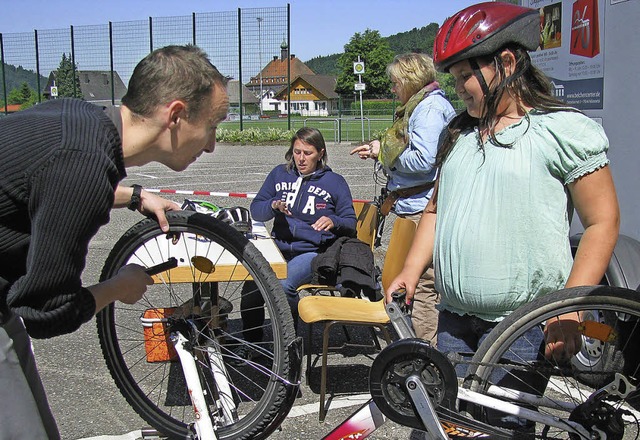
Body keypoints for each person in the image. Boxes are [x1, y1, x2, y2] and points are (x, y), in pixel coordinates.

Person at [0, 44, 229, 439]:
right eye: (212, 125)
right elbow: (44, 311)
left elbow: (44, 182)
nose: (211, 144)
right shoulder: (82, 165)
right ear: (175, 115)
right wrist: (119, 287)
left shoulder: (83, 121)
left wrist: (135, 195)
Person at [387, 1, 619, 378]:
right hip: (454, 321)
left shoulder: (560, 131)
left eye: (466, 76)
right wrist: (410, 270)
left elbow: (602, 221)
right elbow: (435, 210)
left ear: (507, 64)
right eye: (455, 78)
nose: (458, 88)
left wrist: (571, 306)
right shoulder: (459, 134)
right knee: (452, 425)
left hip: (522, 327)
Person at [350, 53, 455, 345]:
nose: (393, 89)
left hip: (422, 211)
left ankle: (426, 357)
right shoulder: (423, 105)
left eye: (396, 83)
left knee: (422, 286)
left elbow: (424, 160)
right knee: (418, 284)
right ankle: (422, 351)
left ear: (409, 80)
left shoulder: (429, 109)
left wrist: (382, 153)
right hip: (416, 208)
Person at [236, 127, 357, 361]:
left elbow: (350, 223)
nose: (301, 159)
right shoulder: (279, 174)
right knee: (252, 284)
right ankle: (252, 342)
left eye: (308, 153)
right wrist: (272, 205)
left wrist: (333, 220)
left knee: (282, 286)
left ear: (320, 153)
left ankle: (287, 342)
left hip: (313, 251)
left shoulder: (335, 182)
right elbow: (256, 210)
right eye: (297, 152)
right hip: (279, 246)